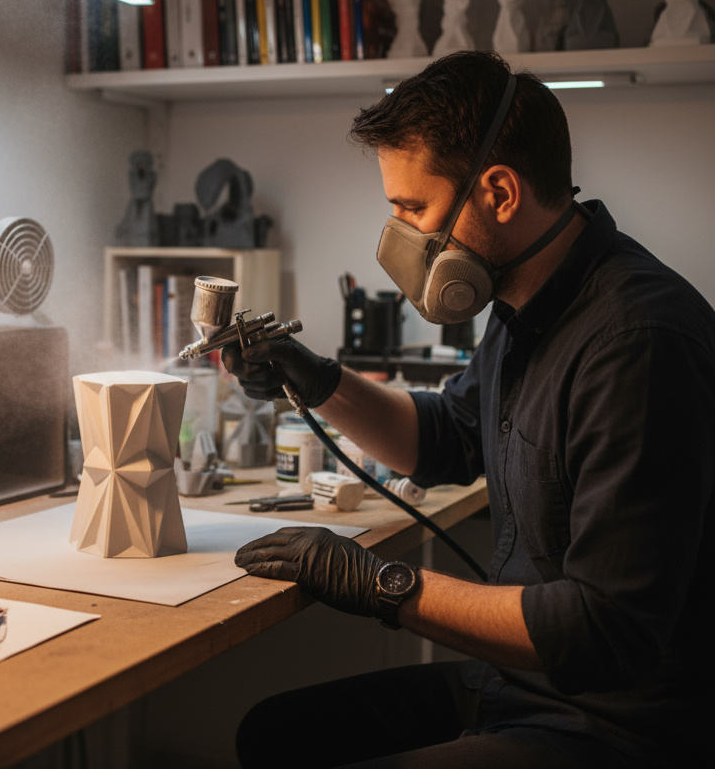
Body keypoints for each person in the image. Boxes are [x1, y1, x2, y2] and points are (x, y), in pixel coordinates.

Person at [224, 50, 715, 768]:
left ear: (500, 194)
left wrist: (383, 584)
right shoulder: (523, 301)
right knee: (275, 734)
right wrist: (316, 380)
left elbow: (605, 629)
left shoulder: (637, 341)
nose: (403, 240)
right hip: (520, 685)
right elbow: (447, 438)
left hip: (615, 723)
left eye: (414, 210)